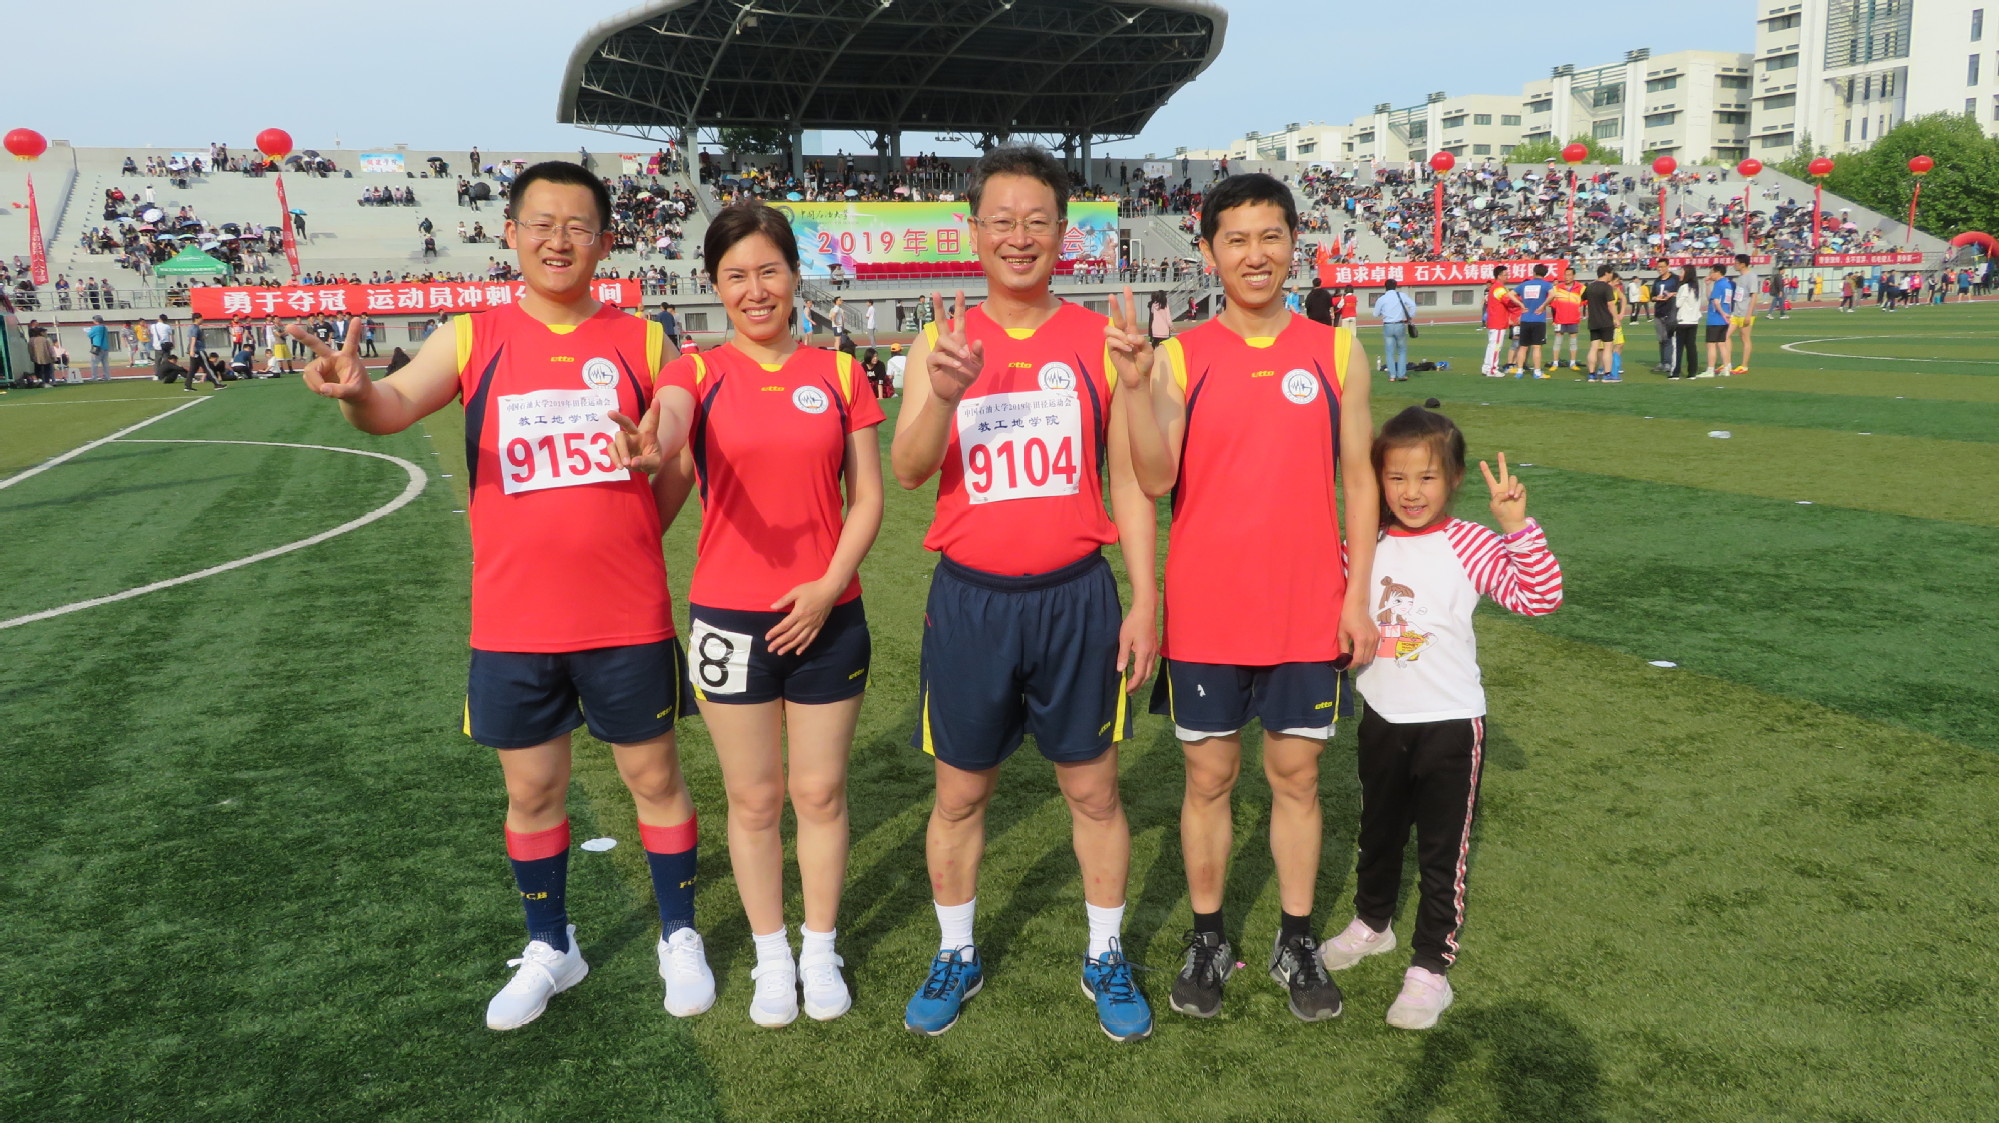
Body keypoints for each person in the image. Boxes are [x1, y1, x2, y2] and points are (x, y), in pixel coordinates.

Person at [291, 160, 717, 1032]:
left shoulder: (644, 341)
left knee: (654, 778)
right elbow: (391, 405)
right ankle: (552, 946)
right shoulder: (469, 336)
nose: (559, 240)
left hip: (624, 614)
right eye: (541, 224)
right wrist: (356, 390)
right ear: (511, 234)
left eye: (578, 226)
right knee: (531, 793)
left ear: (606, 241)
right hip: (514, 621)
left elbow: (675, 427)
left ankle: (679, 932)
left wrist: (649, 478)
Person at [889, 146, 1158, 1043]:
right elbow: (909, 468)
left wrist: (1144, 596)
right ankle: (956, 952)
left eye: (1035, 220)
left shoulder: (1096, 341)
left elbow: (1132, 480)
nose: (1018, 236)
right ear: (973, 231)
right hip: (971, 605)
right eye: (1000, 220)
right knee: (960, 796)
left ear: (1061, 232)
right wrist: (940, 395)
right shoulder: (941, 340)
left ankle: (1105, 953)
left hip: (1075, 601)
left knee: (1094, 792)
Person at [1116, 172, 1379, 1024]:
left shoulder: (1335, 351)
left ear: (1294, 243)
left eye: (1270, 236)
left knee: (1296, 777)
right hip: (1207, 613)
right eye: (1235, 239)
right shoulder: (1179, 357)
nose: (1254, 254)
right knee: (1209, 777)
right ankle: (1207, 936)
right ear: (1208, 252)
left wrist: (1358, 595)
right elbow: (1154, 476)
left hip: (1307, 608)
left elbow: (1359, 481)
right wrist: (1134, 389)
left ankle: (1294, 938)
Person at [650, 202, 885, 1027]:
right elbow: (667, 420)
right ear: (714, 286)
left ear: (793, 275)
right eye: (735, 276)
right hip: (729, 621)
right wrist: (652, 440)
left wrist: (826, 586)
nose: (755, 290)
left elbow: (868, 498)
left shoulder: (839, 373)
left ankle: (819, 947)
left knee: (819, 793)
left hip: (829, 615)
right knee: (753, 799)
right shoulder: (696, 373)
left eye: (769, 271)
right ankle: (770, 954)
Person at [1321, 405, 1563, 1030]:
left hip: (1452, 723)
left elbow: (1539, 597)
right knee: (1377, 833)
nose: (1411, 492)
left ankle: (1431, 967)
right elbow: (1333, 618)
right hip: (1381, 717)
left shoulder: (1470, 542)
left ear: (1454, 478)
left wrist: (1516, 528)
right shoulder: (1364, 545)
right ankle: (1372, 922)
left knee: (1440, 850)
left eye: (1427, 477)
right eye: (1396, 477)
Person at [1505, 264, 1554, 378]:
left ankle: (1519, 371)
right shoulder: (1546, 284)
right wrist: (1543, 305)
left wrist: (1521, 304)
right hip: (1538, 319)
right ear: (1545, 274)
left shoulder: (1525, 284)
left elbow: (1510, 294)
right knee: (1537, 347)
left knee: (1523, 347)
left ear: (1534, 272)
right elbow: (1553, 295)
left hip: (1525, 319)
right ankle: (1537, 372)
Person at [1479, 267, 1522, 378]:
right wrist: (1520, 301)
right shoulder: (1499, 288)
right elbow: (1508, 301)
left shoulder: (1497, 288)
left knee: (1492, 345)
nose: (1508, 276)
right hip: (1498, 322)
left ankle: (1487, 367)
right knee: (1496, 346)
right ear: (1499, 276)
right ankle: (1493, 370)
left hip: (1495, 321)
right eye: (1505, 274)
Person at [1372, 278, 1417, 382]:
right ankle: (1401, 374)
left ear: (1385, 287)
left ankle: (1392, 375)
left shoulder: (1382, 298)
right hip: (1399, 324)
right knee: (1401, 350)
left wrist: (1383, 312)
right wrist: (1409, 317)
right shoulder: (1401, 295)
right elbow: (1413, 305)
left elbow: (1375, 314)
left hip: (1388, 325)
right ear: (1396, 286)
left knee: (1389, 352)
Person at [1581, 266, 1621, 383]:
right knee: (1608, 348)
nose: (1611, 276)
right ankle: (1607, 374)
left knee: (1593, 348)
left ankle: (1591, 374)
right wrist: (1616, 318)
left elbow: (1583, 298)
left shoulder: (1590, 287)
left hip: (1593, 321)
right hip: (1606, 321)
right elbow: (1611, 304)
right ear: (1606, 273)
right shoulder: (1607, 287)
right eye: (1611, 273)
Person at [1703, 263, 1735, 378]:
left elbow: (1716, 302)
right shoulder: (1727, 284)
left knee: (1711, 345)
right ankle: (1726, 368)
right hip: (1724, 320)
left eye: (1712, 272)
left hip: (1715, 319)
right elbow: (1712, 299)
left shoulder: (1719, 284)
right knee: (1722, 344)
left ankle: (1710, 370)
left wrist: (1722, 313)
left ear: (1718, 272)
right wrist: (1707, 286)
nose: (1710, 274)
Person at [1670, 265, 1702, 380]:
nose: (1680, 274)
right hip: (1694, 321)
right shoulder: (1697, 287)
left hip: (1683, 321)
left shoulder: (1684, 287)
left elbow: (1678, 304)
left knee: (1678, 348)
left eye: (1682, 272)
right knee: (1691, 347)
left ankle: (1675, 372)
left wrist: (1674, 296)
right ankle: (1692, 372)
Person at [1547, 275, 1584, 369]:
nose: (1567, 277)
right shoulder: (1557, 288)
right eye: (1566, 275)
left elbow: (1584, 300)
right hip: (1560, 319)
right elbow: (1551, 302)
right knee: (1557, 341)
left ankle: (1573, 363)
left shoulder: (1581, 287)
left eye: (1569, 275)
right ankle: (1555, 363)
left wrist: (1576, 306)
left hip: (1573, 319)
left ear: (1573, 276)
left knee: (1573, 341)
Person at [1729, 254, 1757, 374]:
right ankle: (1727, 363)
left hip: (1746, 312)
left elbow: (1754, 296)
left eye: (1736, 263)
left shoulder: (1751, 276)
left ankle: (1744, 366)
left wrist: (1748, 314)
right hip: (1736, 312)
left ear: (1743, 264)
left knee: (1745, 338)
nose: (1734, 265)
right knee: (1725, 336)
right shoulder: (1740, 277)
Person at [1650, 262, 1679, 372]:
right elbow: (1652, 296)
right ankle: (1663, 362)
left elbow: (1681, 292)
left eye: (1662, 267)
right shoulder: (1657, 280)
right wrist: (1656, 298)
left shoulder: (1675, 279)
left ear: (1667, 267)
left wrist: (1672, 294)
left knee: (1668, 338)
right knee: (1661, 339)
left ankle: (1668, 362)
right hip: (1659, 311)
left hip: (1670, 311)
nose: (1659, 269)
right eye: (1658, 267)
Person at [86, 315, 113, 381]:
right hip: (105, 346)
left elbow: (89, 335)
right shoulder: (105, 327)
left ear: (96, 321)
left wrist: (89, 331)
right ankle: (107, 376)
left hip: (97, 346)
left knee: (94, 363)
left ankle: (94, 377)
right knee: (105, 363)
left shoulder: (95, 328)